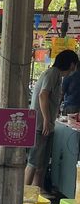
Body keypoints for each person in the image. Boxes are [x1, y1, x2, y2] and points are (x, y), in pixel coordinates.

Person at [26, 49, 79, 188]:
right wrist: (46, 120)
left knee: (41, 163)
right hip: (40, 125)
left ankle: (38, 192)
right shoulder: (53, 73)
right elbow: (43, 95)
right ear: (71, 64)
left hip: (45, 124)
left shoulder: (56, 75)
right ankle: (25, 195)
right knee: (33, 162)